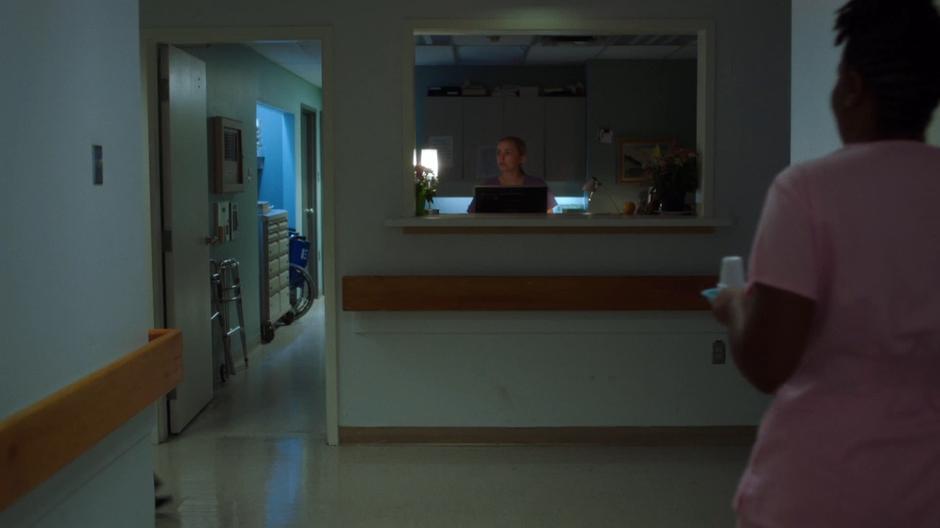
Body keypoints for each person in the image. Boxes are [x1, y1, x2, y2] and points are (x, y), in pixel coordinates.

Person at [712, 0, 940, 525]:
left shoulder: (807, 191)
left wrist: (733, 307)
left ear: (852, 87)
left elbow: (768, 363)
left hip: (822, 484)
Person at [467, 136, 558, 213]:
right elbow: (473, 217)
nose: (501, 158)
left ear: (521, 158)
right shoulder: (488, 186)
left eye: (507, 153)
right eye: (498, 153)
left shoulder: (537, 185)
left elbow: (548, 219)